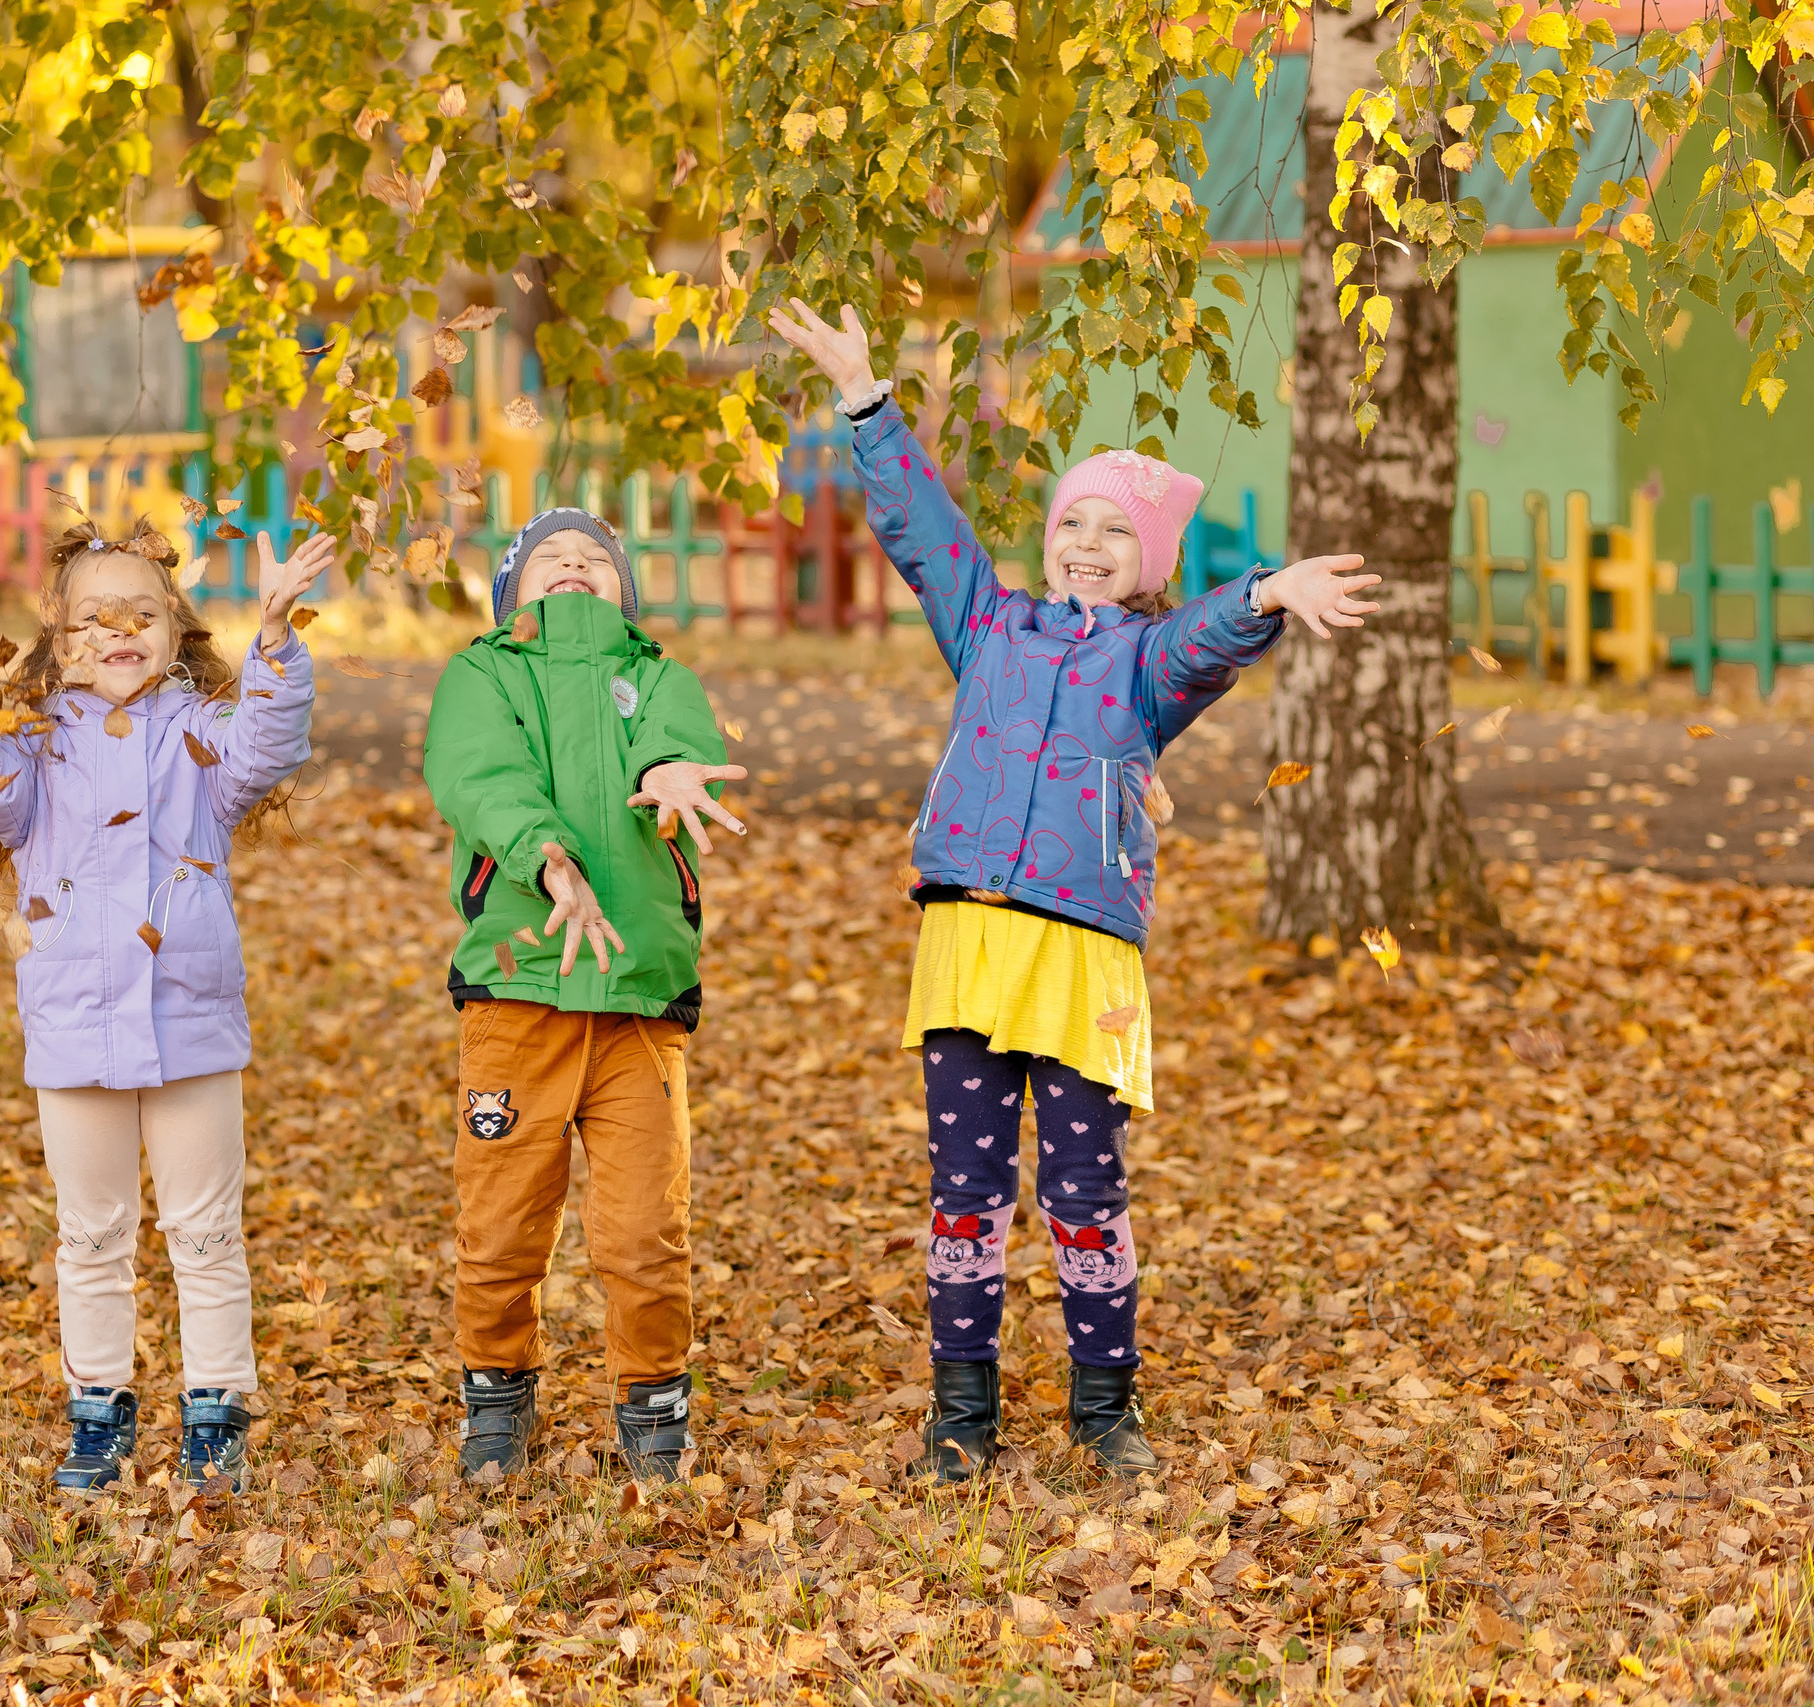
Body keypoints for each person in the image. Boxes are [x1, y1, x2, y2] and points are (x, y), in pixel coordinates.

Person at [768, 300, 1380, 1482]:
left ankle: (1105, 1410)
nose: (1087, 543)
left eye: (1115, 532)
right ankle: (962, 1411)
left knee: (1085, 1187)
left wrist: (1262, 593)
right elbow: (924, 531)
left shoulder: (1146, 665)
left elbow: (1206, 638)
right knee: (965, 1190)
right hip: (969, 942)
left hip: (1087, 952)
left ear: (1145, 564)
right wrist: (865, 399)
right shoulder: (988, 625)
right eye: (1072, 523)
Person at [0, 520, 336, 1492]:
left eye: (143, 614)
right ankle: (97, 1409)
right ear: (58, 635)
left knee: (206, 1229)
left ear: (177, 630)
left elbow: (271, 743)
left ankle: (215, 1411)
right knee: (91, 1233)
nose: (119, 632)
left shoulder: (201, 735)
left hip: (189, 1021)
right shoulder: (37, 742)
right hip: (76, 1021)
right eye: (93, 618)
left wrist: (273, 633)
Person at [421, 510, 747, 1481]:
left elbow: (670, 739)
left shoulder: (655, 676)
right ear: (511, 591)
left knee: (646, 1228)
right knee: (500, 1216)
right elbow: (480, 775)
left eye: (594, 560)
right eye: (550, 559)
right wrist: (546, 859)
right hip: (515, 997)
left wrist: (673, 769)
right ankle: (495, 1397)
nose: (572, 566)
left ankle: (653, 1411)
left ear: (624, 593)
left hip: (640, 1004)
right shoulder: (483, 674)